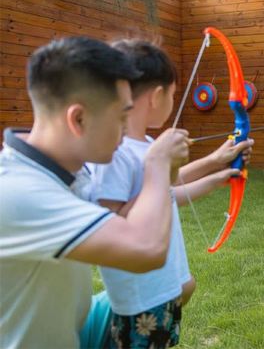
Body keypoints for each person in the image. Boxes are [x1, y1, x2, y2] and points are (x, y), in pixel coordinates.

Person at [0, 37, 190, 348]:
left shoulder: (68, 172)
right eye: (120, 117)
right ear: (78, 119)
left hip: (75, 330)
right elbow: (145, 249)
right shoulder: (20, 192)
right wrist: (157, 162)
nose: (127, 129)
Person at [89, 39, 254, 348]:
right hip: (141, 300)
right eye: (174, 94)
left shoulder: (145, 146)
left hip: (158, 291)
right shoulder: (113, 153)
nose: (173, 100)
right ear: (157, 96)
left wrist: (219, 170)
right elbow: (111, 225)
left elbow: (166, 191)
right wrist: (162, 170)